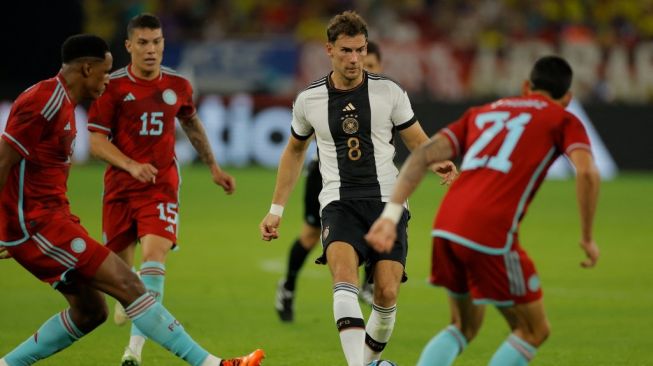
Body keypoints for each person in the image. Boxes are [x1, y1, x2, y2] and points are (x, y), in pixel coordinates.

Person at [0, 34, 264, 366]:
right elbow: (3, 161)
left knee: (91, 312)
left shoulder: (62, 102)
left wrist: (17, 231)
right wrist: (17, 228)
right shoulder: (45, 100)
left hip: (45, 223)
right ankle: (214, 364)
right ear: (86, 68)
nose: (107, 79)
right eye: (104, 72)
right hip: (39, 223)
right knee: (129, 283)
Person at [365, 55, 600, 366]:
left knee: (463, 326)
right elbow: (586, 172)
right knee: (534, 330)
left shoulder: (483, 112)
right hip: (488, 232)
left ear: (526, 87)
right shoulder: (564, 119)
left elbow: (422, 156)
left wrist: (390, 216)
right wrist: (586, 236)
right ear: (567, 98)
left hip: (447, 224)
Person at [259, 11, 455, 366]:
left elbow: (417, 140)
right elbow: (294, 152)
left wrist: (437, 159)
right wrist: (276, 210)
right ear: (329, 50)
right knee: (344, 278)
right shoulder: (309, 99)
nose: (354, 59)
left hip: (388, 203)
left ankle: (366, 362)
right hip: (338, 201)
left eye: (360, 50)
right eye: (346, 51)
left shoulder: (389, 91)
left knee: (387, 292)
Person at [86, 13, 236, 366]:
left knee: (154, 258)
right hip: (120, 190)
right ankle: (132, 295)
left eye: (156, 42)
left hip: (160, 187)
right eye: (143, 43)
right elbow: (95, 141)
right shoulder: (113, 88)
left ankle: (133, 352)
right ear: (129, 46)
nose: (151, 50)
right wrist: (130, 165)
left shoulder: (179, 86)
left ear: (163, 44)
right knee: (123, 282)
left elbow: (191, 123)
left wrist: (213, 165)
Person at [274, 40, 384, 322]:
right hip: (326, 178)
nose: (361, 66)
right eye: (360, 60)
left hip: (370, 185)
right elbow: (302, 142)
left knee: (379, 229)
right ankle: (287, 286)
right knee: (310, 235)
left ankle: (368, 284)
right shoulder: (325, 96)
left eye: (370, 64)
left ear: (379, 67)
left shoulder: (385, 97)